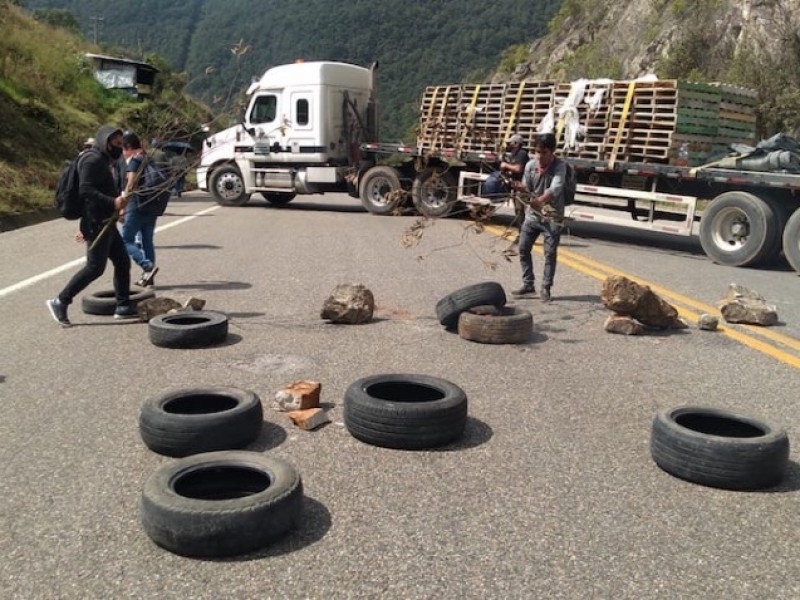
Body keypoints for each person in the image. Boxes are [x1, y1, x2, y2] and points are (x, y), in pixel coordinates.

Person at [46, 125, 137, 326]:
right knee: (95, 268)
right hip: (96, 223)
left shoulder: (105, 160)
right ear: (105, 140)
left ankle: (123, 306)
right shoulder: (92, 160)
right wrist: (112, 202)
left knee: (122, 261)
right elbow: (85, 190)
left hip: (107, 221)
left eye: (121, 144)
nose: (119, 147)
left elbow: (105, 188)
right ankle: (60, 300)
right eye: (116, 143)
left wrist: (117, 208)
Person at [512, 132, 568, 303]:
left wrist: (540, 200)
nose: (540, 156)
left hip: (552, 216)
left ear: (552, 152)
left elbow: (555, 189)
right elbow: (527, 187)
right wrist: (518, 188)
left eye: (544, 153)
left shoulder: (560, 166)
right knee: (522, 248)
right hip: (532, 216)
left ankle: (546, 287)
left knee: (549, 253)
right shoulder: (530, 166)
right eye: (537, 152)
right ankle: (528, 284)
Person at [121, 131, 159, 287]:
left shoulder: (135, 161)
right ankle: (149, 278)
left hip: (136, 206)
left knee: (125, 240)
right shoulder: (149, 158)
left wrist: (122, 206)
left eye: (123, 149)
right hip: (152, 206)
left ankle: (145, 265)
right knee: (147, 241)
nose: (122, 153)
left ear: (128, 147)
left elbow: (131, 184)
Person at [481, 134, 529, 202]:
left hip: (519, 184)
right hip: (510, 180)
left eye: (510, 143)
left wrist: (506, 165)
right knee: (492, 177)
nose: (508, 145)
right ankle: (490, 198)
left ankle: (494, 198)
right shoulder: (512, 155)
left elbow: (518, 169)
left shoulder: (522, 153)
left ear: (516, 144)